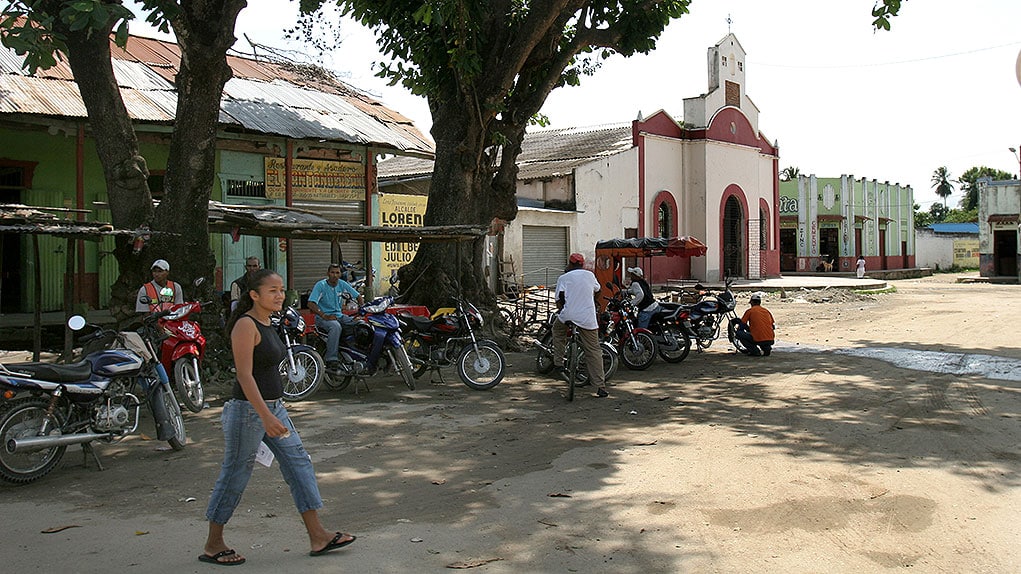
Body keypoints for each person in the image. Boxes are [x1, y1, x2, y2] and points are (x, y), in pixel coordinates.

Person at [201, 269, 355, 566]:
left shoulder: (269, 322)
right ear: (254, 295)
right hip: (248, 412)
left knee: (299, 464)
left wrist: (273, 413)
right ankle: (213, 543)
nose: (280, 295)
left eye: (281, 290)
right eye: (272, 290)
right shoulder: (245, 325)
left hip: (274, 408)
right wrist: (265, 416)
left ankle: (318, 536)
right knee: (235, 475)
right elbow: (245, 377)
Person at [551, 253, 608, 398]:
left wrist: (562, 310)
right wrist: (592, 300)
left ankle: (558, 362)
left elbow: (558, 300)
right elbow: (598, 290)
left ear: (570, 264)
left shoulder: (563, 278)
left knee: (557, 331)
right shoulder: (590, 276)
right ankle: (600, 386)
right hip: (587, 318)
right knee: (594, 350)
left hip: (568, 315)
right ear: (582, 264)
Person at [307, 263, 364, 370]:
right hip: (322, 318)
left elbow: (358, 296)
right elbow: (311, 303)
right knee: (335, 326)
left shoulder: (342, 284)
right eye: (332, 272)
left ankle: (356, 354)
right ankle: (331, 359)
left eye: (337, 273)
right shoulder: (321, 285)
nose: (335, 275)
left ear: (340, 274)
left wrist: (362, 310)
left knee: (360, 324)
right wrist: (324, 315)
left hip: (339, 315)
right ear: (328, 273)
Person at [734, 292, 775, 357]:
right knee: (760, 334)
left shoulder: (750, 311)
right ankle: (766, 348)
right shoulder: (766, 311)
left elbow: (742, 325)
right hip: (770, 339)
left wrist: (740, 330)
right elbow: (772, 326)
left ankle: (755, 351)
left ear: (752, 302)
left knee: (739, 334)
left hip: (758, 338)